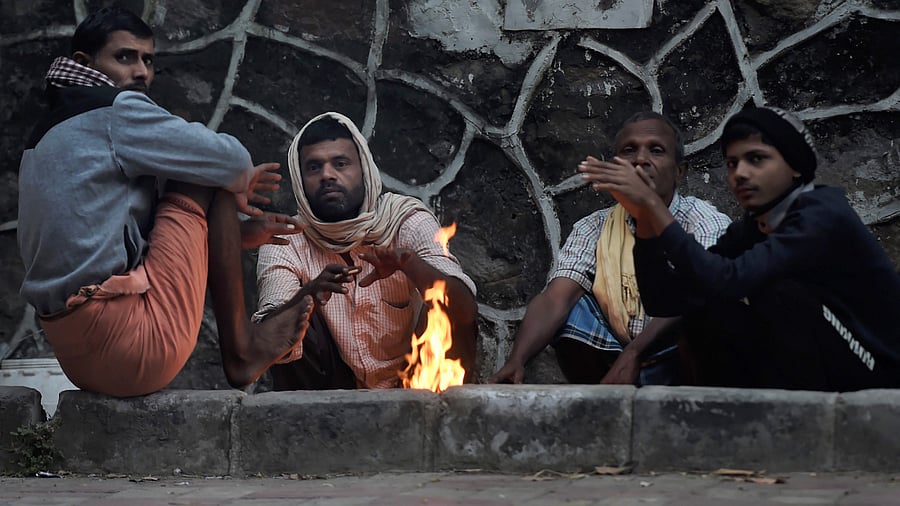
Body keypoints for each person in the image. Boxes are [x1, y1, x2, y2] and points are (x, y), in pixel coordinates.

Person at [17, 6, 313, 398]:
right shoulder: (115, 110)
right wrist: (237, 184)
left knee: (192, 170)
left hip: (79, 358)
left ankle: (240, 340)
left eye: (148, 60)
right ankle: (243, 351)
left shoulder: (43, 138)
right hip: (132, 344)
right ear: (84, 63)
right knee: (202, 170)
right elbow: (229, 160)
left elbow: (106, 237)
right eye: (125, 57)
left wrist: (233, 235)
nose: (141, 72)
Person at [582, 106, 900, 391]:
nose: (740, 174)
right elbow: (666, 300)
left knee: (776, 289)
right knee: (704, 308)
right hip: (818, 372)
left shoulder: (822, 215)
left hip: (879, 377)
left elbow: (727, 279)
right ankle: (730, 419)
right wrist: (644, 219)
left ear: (796, 166)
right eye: (732, 163)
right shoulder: (754, 227)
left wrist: (652, 204)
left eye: (756, 159)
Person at [490, 111, 731, 385]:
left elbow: (700, 294)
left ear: (679, 171)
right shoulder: (594, 227)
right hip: (614, 361)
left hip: (678, 360)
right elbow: (555, 300)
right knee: (572, 309)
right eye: (629, 151)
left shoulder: (704, 221)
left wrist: (634, 352)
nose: (640, 160)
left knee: (709, 310)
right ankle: (600, 401)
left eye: (656, 150)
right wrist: (517, 360)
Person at [253, 112, 478, 390]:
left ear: (364, 170)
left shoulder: (405, 221)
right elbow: (264, 342)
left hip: (415, 388)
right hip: (332, 396)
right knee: (292, 316)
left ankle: (439, 414)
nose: (327, 175)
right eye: (313, 167)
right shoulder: (285, 240)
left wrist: (411, 265)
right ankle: (310, 419)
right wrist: (307, 296)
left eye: (341, 163)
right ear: (300, 180)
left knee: (447, 299)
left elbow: (465, 312)